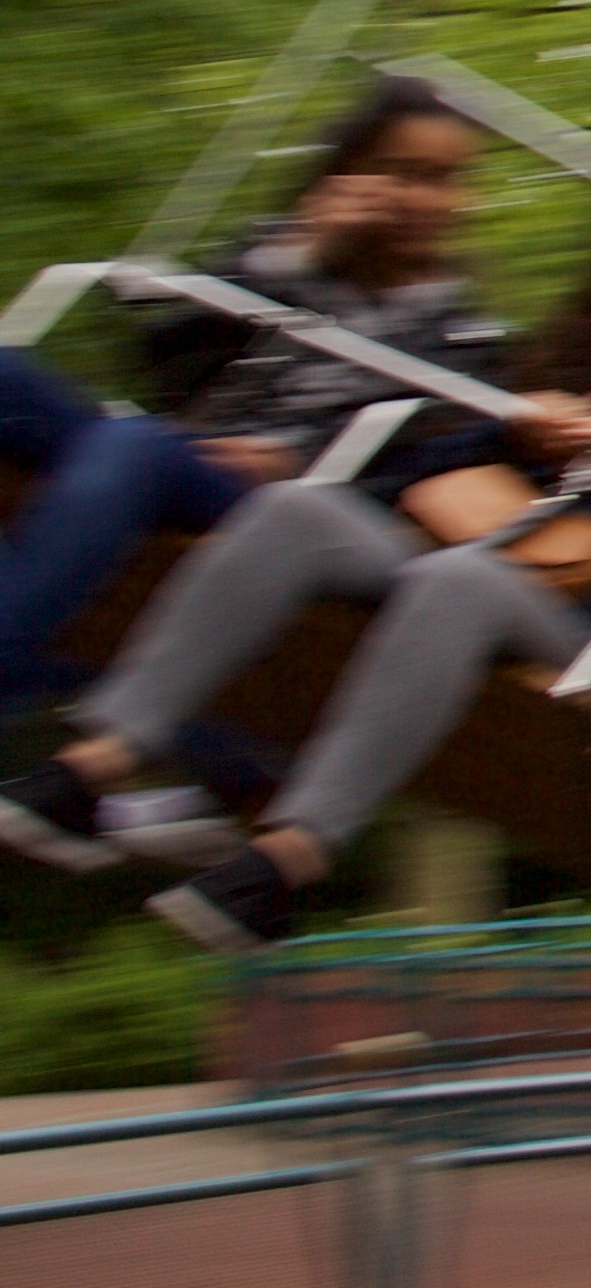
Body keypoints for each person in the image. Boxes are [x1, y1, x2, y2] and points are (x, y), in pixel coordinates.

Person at [0, 194, 591, 955]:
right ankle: (96, 766)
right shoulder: (580, 385)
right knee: (299, 511)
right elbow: (396, 490)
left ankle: (284, 863)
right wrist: (524, 432)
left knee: (459, 581)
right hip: (461, 560)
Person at [0, 75, 517, 783]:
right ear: (348, 175)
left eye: (447, 180)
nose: (427, 201)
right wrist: (292, 259)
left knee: (135, 444)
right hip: (174, 458)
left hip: (287, 508)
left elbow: (426, 477)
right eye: (404, 175)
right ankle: (40, 652)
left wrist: (291, 459)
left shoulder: (467, 340)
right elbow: (164, 367)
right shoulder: (275, 259)